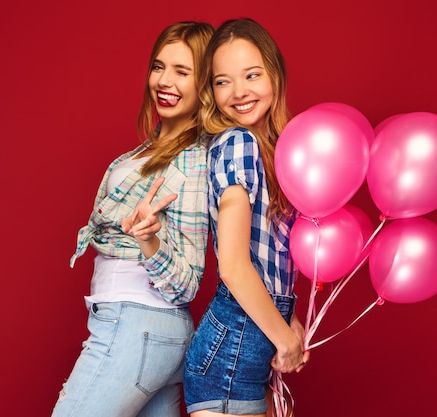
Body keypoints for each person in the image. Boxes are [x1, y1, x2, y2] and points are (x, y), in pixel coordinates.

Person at [50, 21, 214, 417]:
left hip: (138, 324)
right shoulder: (150, 149)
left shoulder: (193, 158)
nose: (164, 80)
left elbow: (188, 282)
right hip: (142, 328)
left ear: (205, 85)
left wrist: (151, 242)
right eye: (159, 67)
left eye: (182, 71)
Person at [183, 18, 310, 417]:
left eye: (252, 75)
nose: (239, 92)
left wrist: (290, 320)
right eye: (222, 81)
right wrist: (284, 340)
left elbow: (278, 256)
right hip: (231, 352)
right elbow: (235, 266)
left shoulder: (275, 150)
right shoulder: (238, 143)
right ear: (210, 90)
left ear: (274, 73)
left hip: (253, 339)